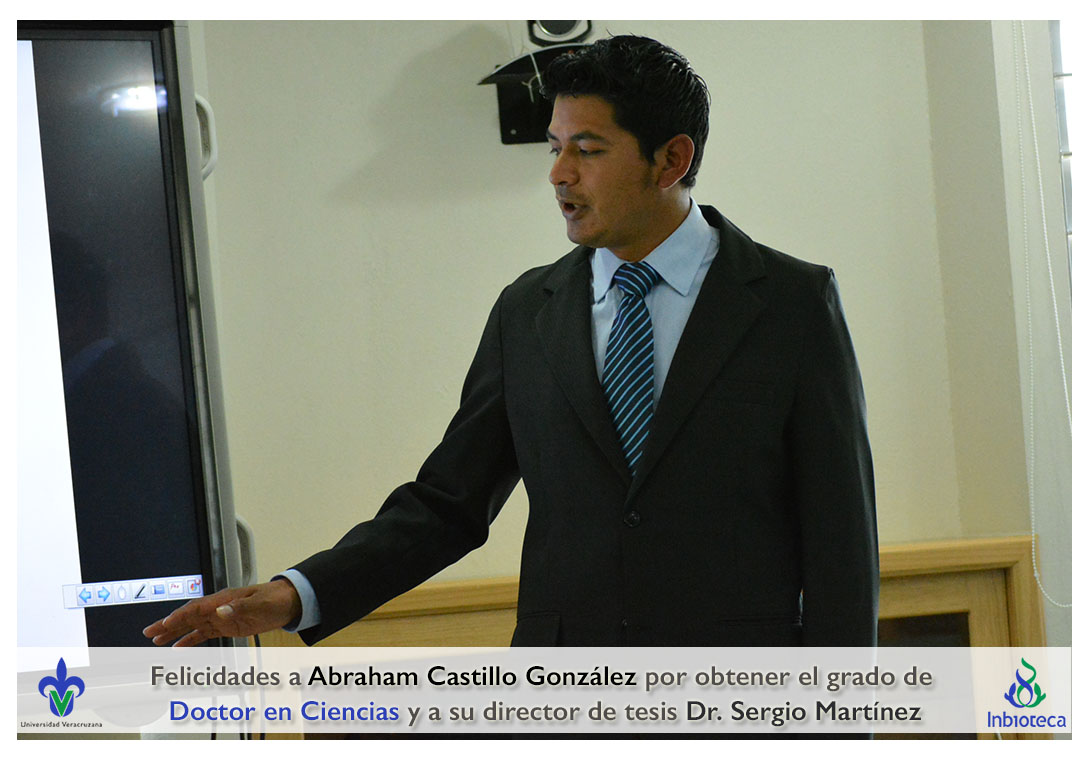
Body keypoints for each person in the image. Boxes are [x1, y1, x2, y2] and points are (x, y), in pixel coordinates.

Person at [144, 34, 878, 650]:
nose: (559, 174)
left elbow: (841, 543)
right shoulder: (528, 311)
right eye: (555, 148)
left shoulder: (791, 303)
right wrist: (295, 594)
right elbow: (447, 504)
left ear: (671, 160)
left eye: (587, 149)